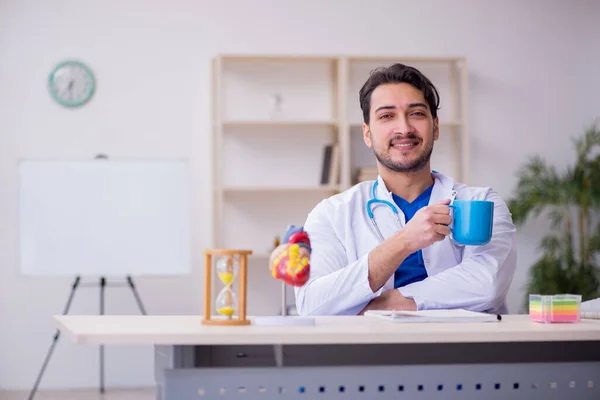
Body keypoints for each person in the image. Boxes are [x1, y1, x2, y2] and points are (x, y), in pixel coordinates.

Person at [294, 63, 517, 316]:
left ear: (436, 127)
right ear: (367, 134)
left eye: (417, 114)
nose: (404, 128)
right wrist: (403, 242)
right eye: (386, 116)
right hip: (369, 353)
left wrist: (374, 307)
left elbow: (487, 286)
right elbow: (312, 305)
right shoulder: (332, 214)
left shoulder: (483, 202)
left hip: (465, 353)